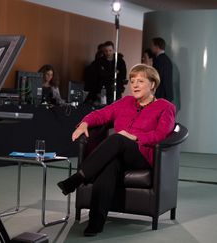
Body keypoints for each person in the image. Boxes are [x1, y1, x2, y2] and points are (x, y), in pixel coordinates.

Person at [57, 64, 176, 237]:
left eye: (140, 81)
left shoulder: (165, 107)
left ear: (152, 85)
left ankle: (78, 178)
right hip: (119, 152)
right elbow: (100, 114)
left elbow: (162, 134)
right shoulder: (125, 102)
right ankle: (96, 222)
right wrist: (84, 123)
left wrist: (135, 136)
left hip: (143, 153)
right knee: (109, 164)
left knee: (118, 138)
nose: (134, 85)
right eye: (132, 81)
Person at [151, 37, 173, 102]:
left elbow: (157, 78)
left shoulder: (158, 60)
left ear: (157, 47)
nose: (151, 47)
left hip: (160, 95)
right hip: (167, 95)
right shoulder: (167, 60)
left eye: (152, 45)